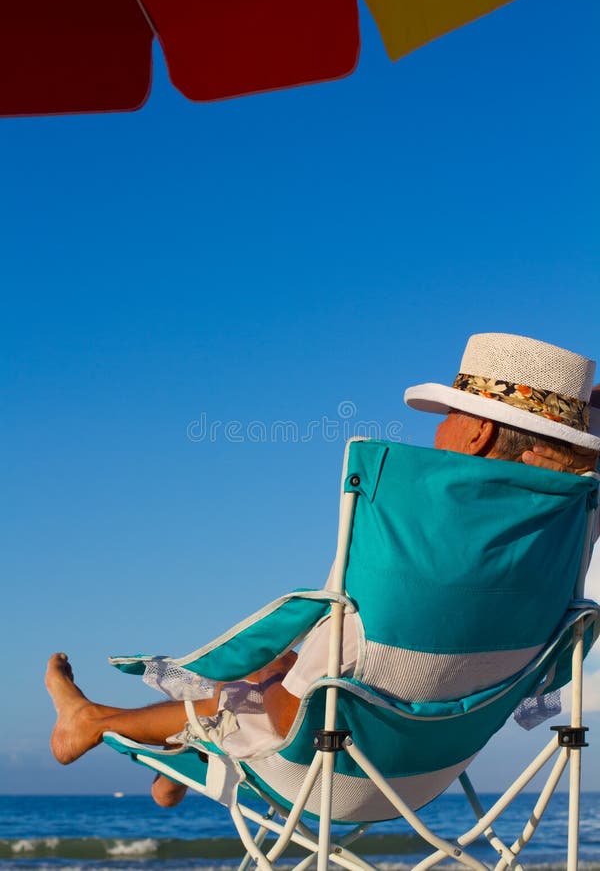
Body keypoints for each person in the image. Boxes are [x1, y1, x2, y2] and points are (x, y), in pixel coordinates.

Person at [46, 332, 600, 809]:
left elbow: (296, 690)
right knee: (303, 661)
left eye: (451, 417)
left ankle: (96, 719)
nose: (439, 434)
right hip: (431, 774)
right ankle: (165, 757)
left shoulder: (411, 511)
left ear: (476, 433)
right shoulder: (569, 532)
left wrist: (235, 663)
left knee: (273, 664)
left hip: (324, 773)